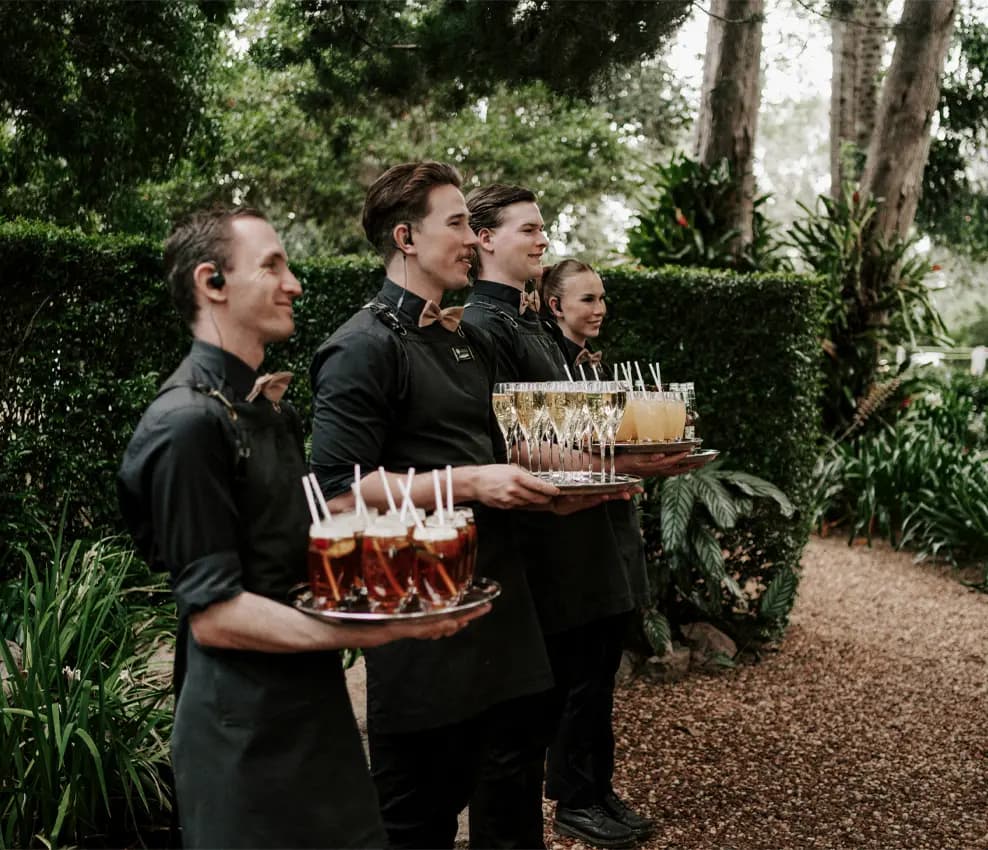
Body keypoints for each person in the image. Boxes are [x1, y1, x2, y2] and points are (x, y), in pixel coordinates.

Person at [117, 206, 486, 850]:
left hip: (315, 710)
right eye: (273, 266)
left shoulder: (266, 411)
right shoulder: (186, 425)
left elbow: (310, 539)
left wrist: (407, 570)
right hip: (242, 733)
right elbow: (214, 613)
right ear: (212, 282)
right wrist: (378, 631)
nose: (295, 284)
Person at [309, 161, 614, 850]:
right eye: (455, 225)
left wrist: (598, 473)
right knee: (416, 823)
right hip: (422, 622)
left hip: (503, 617)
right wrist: (471, 484)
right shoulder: (359, 347)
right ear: (405, 237)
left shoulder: (464, 338)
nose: (472, 242)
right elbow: (337, 487)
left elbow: (513, 444)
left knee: (511, 814)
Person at [464, 185, 689, 849]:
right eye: (529, 229)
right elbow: (510, 443)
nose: (542, 238)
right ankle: (568, 803)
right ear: (486, 239)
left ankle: (588, 793)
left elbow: (566, 433)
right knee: (549, 702)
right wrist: (624, 467)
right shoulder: (482, 327)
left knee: (589, 677)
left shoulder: (530, 327)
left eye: (543, 228)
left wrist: (633, 454)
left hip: (586, 530)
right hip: (546, 544)